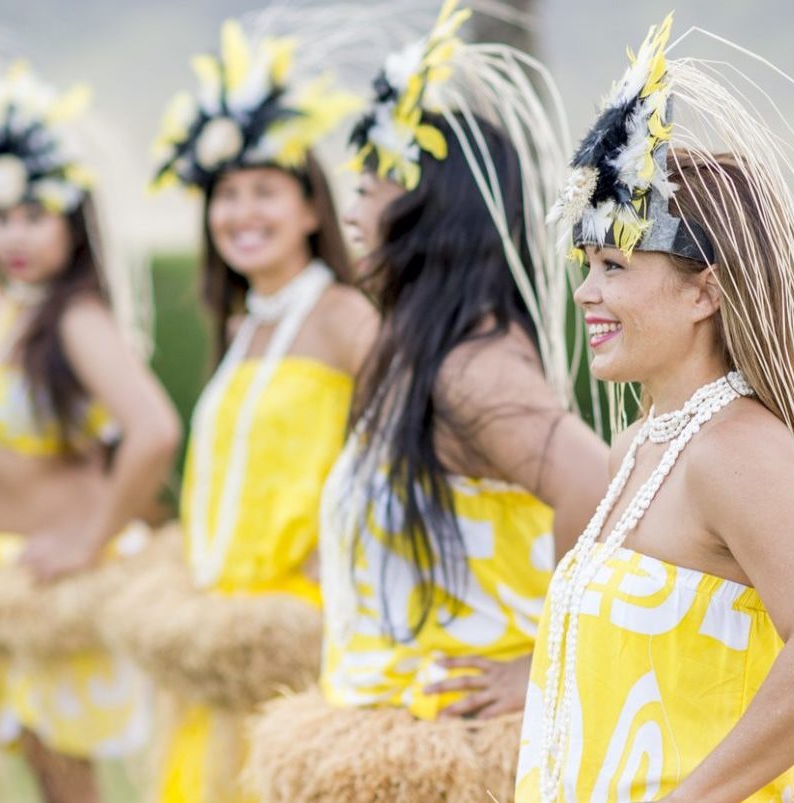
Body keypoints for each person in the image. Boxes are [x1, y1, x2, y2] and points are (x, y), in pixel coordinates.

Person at [514, 15, 794, 802]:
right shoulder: (638, 445)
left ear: (705, 290)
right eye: (586, 265)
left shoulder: (735, 448)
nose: (588, 291)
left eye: (614, 264)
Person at [240, 4, 606, 800]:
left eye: (373, 185)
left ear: (434, 208)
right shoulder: (420, 355)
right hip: (395, 741)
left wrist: (540, 662)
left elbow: (601, 487)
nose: (351, 209)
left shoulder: (475, 370)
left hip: (454, 749)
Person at [0, 63, 179, 803]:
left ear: (72, 220)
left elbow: (152, 431)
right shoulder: (16, 312)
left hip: (48, 586)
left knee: (60, 780)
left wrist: (89, 540)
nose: (11, 234)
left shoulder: (78, 319)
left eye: (32, 216)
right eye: (0, 215)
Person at [104, 17, 374, 803]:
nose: (242, 212)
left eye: (265, 192)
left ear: (312, 210)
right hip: (220, 632)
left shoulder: (342, 316)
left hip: (299, 625)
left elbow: (399, 445)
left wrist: (342, 552)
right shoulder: (242, 325)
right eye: (226, 195)